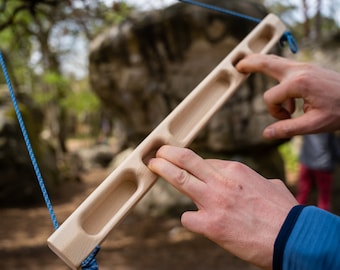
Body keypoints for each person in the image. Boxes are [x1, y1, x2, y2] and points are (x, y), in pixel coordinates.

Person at [147, 54, 340, 270]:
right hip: (312, 162)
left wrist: (298, 236)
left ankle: (315, 207)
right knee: (307, 190)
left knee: (320, 194)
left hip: (320, 166)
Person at [296, 133, 336, 211]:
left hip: (307, 162)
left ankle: (296, 213)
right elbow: (334, 146)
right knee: (324, 198)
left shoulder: (308, 128)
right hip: (323, 165)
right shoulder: (328, 129)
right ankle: (323, 218)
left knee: (303, 192)